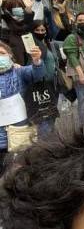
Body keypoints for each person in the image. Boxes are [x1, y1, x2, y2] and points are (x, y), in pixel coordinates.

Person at [0, 43, 44, 172]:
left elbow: (37, 74)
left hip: (19, 131)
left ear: (10, 56)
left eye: (2, 53)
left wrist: (36, 61)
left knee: (21, 169)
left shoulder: (19, 72)